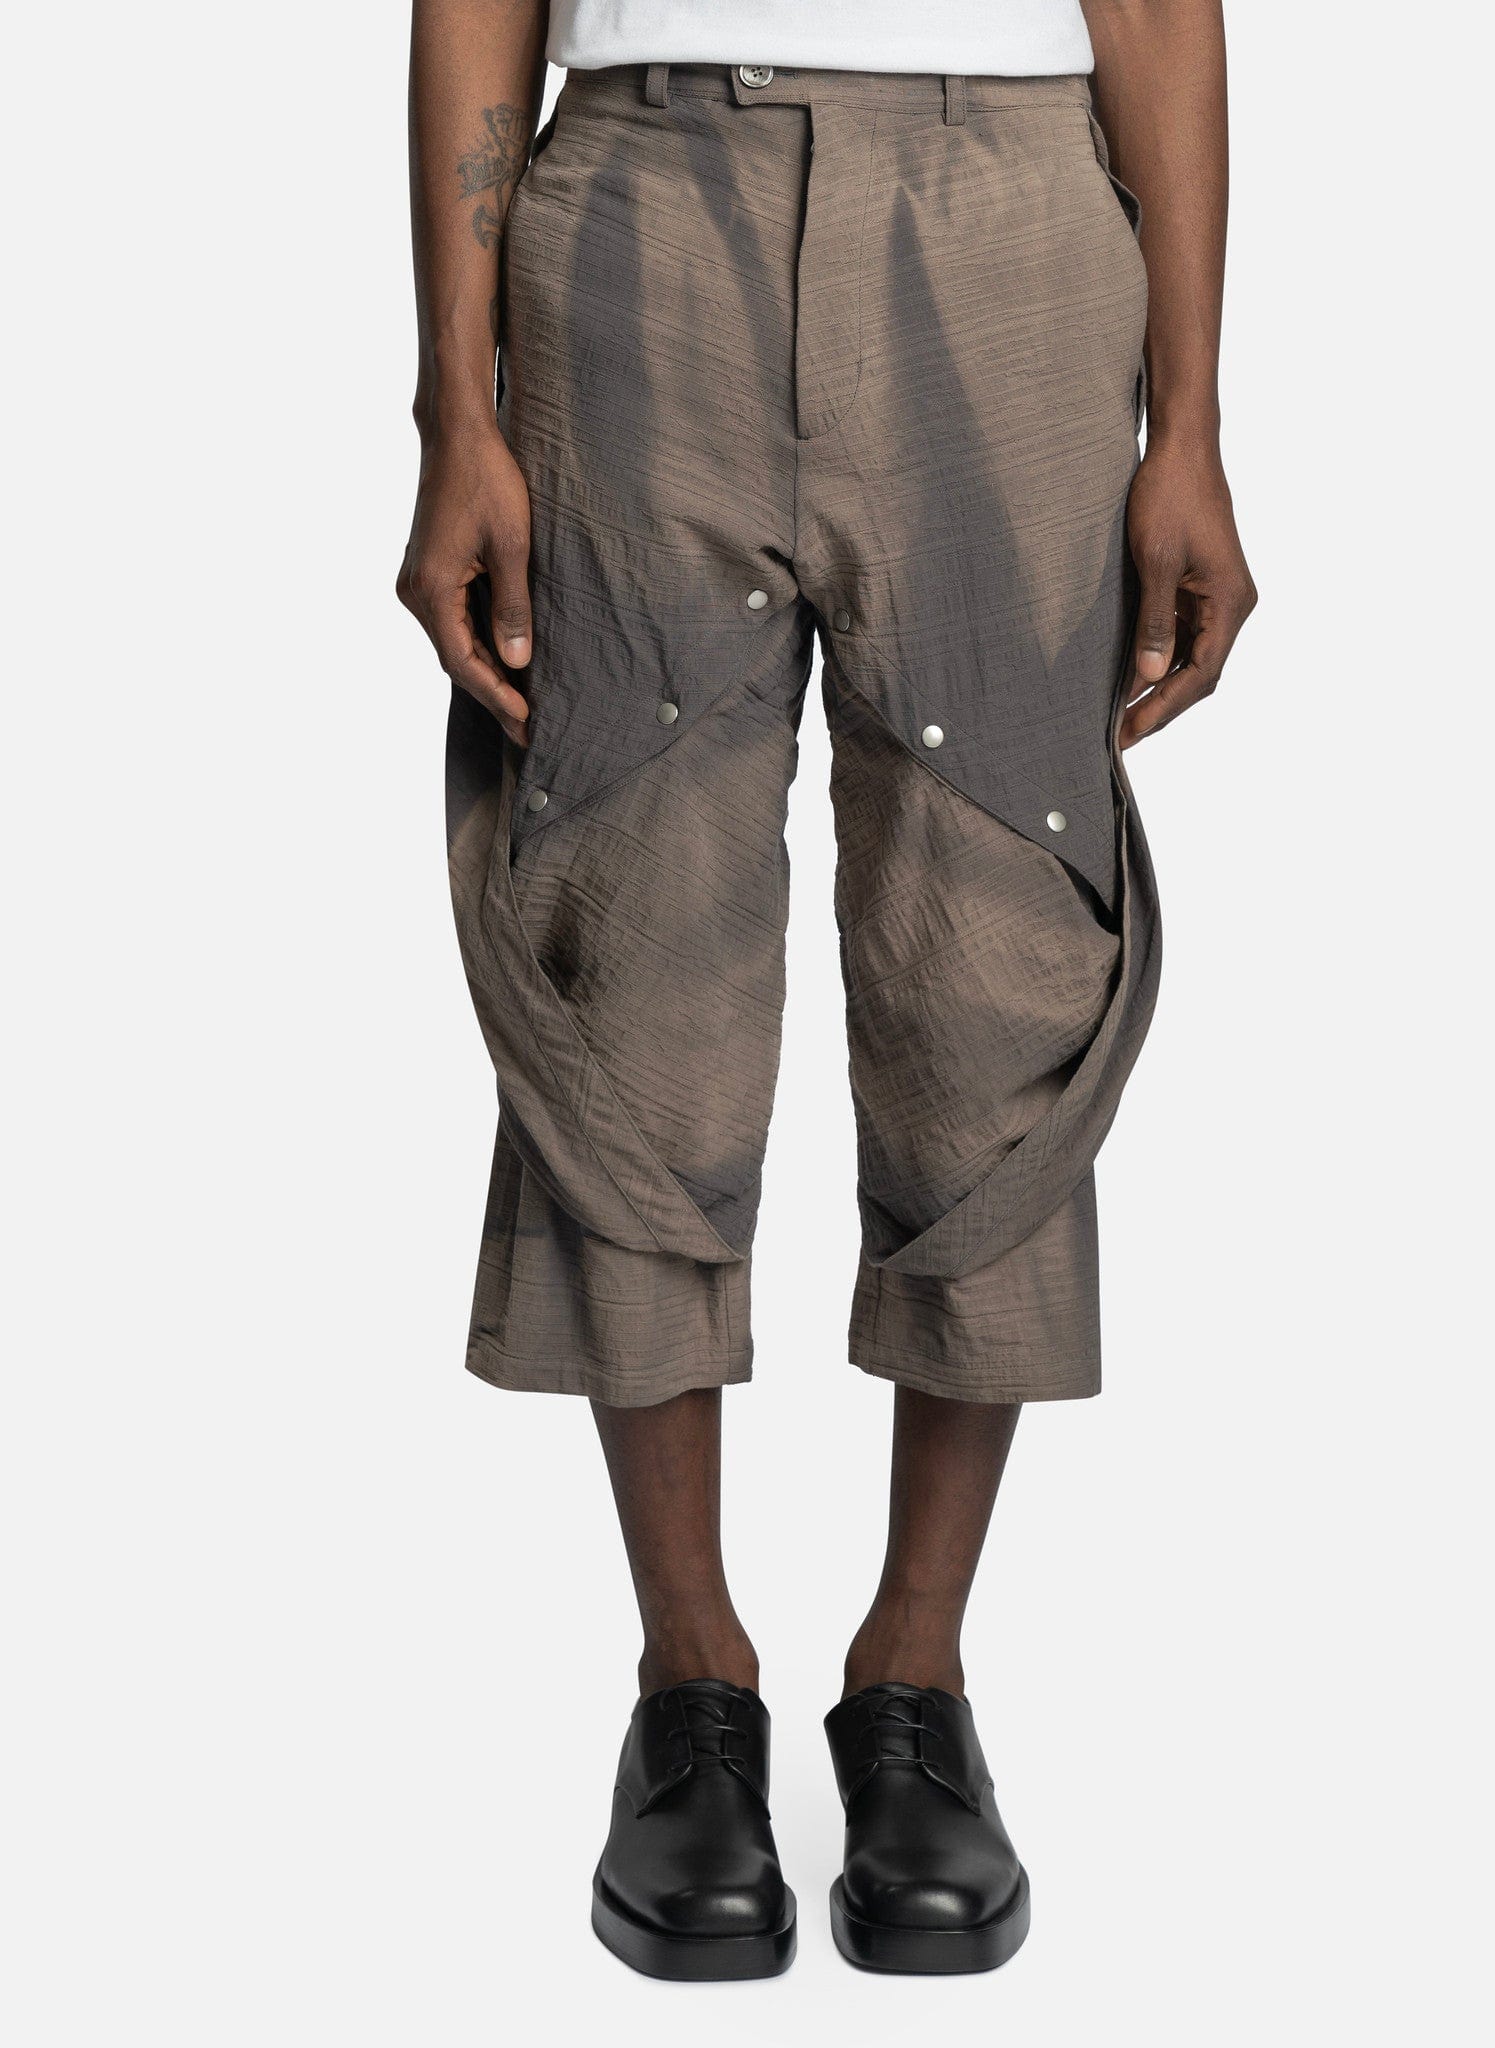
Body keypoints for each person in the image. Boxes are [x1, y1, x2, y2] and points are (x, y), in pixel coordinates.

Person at [399, 0, 1255, 1981]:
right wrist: (452, 409)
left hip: (1011, 208)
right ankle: (688, 1681)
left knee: (998, 954)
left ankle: (914, 1679)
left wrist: (1194, 422)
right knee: (622, 942)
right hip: (636, 203)